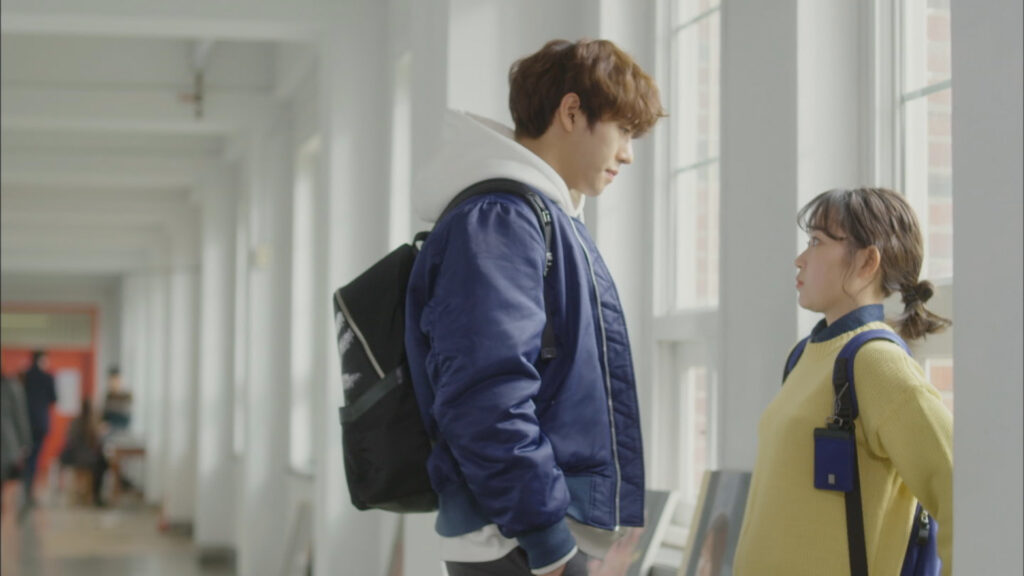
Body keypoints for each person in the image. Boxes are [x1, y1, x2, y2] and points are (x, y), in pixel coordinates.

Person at [405, 38, 665, 576]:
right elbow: (485, 393)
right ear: (571, 112)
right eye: (622, 130)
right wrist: (548, 541)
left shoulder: (535, 216)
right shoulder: (500, 220)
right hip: (518, 539)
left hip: (525, 531)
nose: (628, 153)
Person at [733, 188, 953, 575]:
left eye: (817, 241)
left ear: (867, 261)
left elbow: (958, 487)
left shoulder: (878, 363)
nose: (800, 259)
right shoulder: (805, 355)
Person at [21, 350, 57, 508]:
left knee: (25, 456)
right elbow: (54, 398)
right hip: (40, 424)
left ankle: (24, 488)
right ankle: (29, 491)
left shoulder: (24, 376)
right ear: (41, 360)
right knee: (34, 457)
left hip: (24, 424)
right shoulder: (47, 377)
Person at [1, 367, 33, 516]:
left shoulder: (12, 388)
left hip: (7, 446)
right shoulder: (13, 388)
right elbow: (20, 418)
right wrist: (25, 444)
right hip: (8, 446)